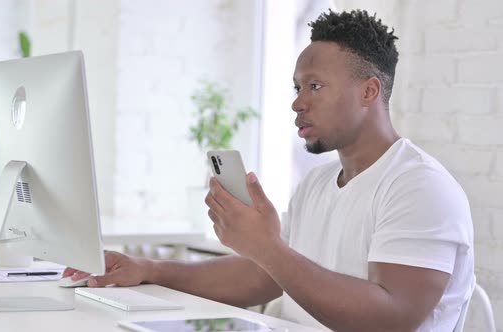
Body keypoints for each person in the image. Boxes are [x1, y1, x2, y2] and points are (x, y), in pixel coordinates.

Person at [64, 10, 474, 332]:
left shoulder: (419, 187)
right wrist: (149, 270)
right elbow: (265, 279)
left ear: (369, 91)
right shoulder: (317, 182)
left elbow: (392, 320)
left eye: (315, 86)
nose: (298, 103)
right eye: (297, 88)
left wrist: (266, 247)